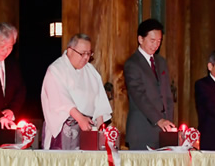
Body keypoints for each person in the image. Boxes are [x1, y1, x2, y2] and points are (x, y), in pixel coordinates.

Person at [40, 33, 112, 150]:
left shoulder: (91, 72)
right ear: (70, 51)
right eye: (82, 53)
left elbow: (100, 104)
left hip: (88, 128)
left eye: (89, 54)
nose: (86, 58)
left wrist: (100, 132)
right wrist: (79, 118)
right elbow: (61, 99)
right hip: (66, 128)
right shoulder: (56, 69)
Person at [124, 18, 176, 150]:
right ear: (140, 39)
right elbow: (139, 96)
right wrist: (159, 120)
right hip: (142, 131)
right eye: (152, 41)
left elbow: (167, 96)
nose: (156, 45)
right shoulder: (132, 64)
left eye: (159, 41)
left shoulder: (161, 62)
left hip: (163, 132)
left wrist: (168, 122)